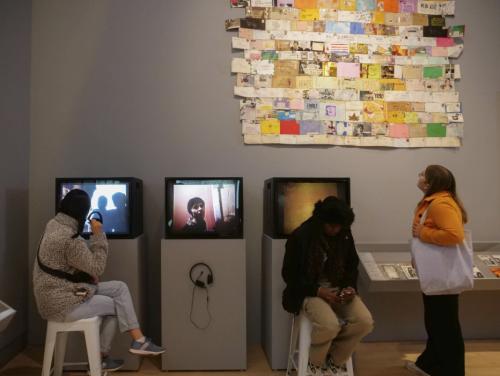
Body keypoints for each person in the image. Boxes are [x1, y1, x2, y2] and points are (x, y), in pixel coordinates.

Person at [33, 189, 164, 373]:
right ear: (83, 212)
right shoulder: (70, 239)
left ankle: (139, 340)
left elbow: (64, 263)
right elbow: (97, 267)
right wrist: (98, 234)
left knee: (120, 288)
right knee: (117, 305)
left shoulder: (54, 224)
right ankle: (104, 356)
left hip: (58, 291)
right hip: (61, 302)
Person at [282, 196, 374, 375]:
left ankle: (335, 360)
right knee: (330, 325)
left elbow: (351, 265)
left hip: (338, 288)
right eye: (332, 225)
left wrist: (349, 287)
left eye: (339, 226)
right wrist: (318, 291)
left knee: (365, 322)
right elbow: (290, 275)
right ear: (321, 220)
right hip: (309, 290)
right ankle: (315, 363)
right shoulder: (300, 236)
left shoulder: (344, 233)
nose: (336, 229)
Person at [406, 165, 468, 376]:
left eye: (423, 174)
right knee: (436, 323)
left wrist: (423, 232)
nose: (419, 176)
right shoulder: (436, 202)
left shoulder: (441, 204)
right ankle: (429, 364)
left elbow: (454, 235)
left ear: (430, 183)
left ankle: (451, 370)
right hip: (437, 273)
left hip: (442, 274)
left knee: (445, 325)